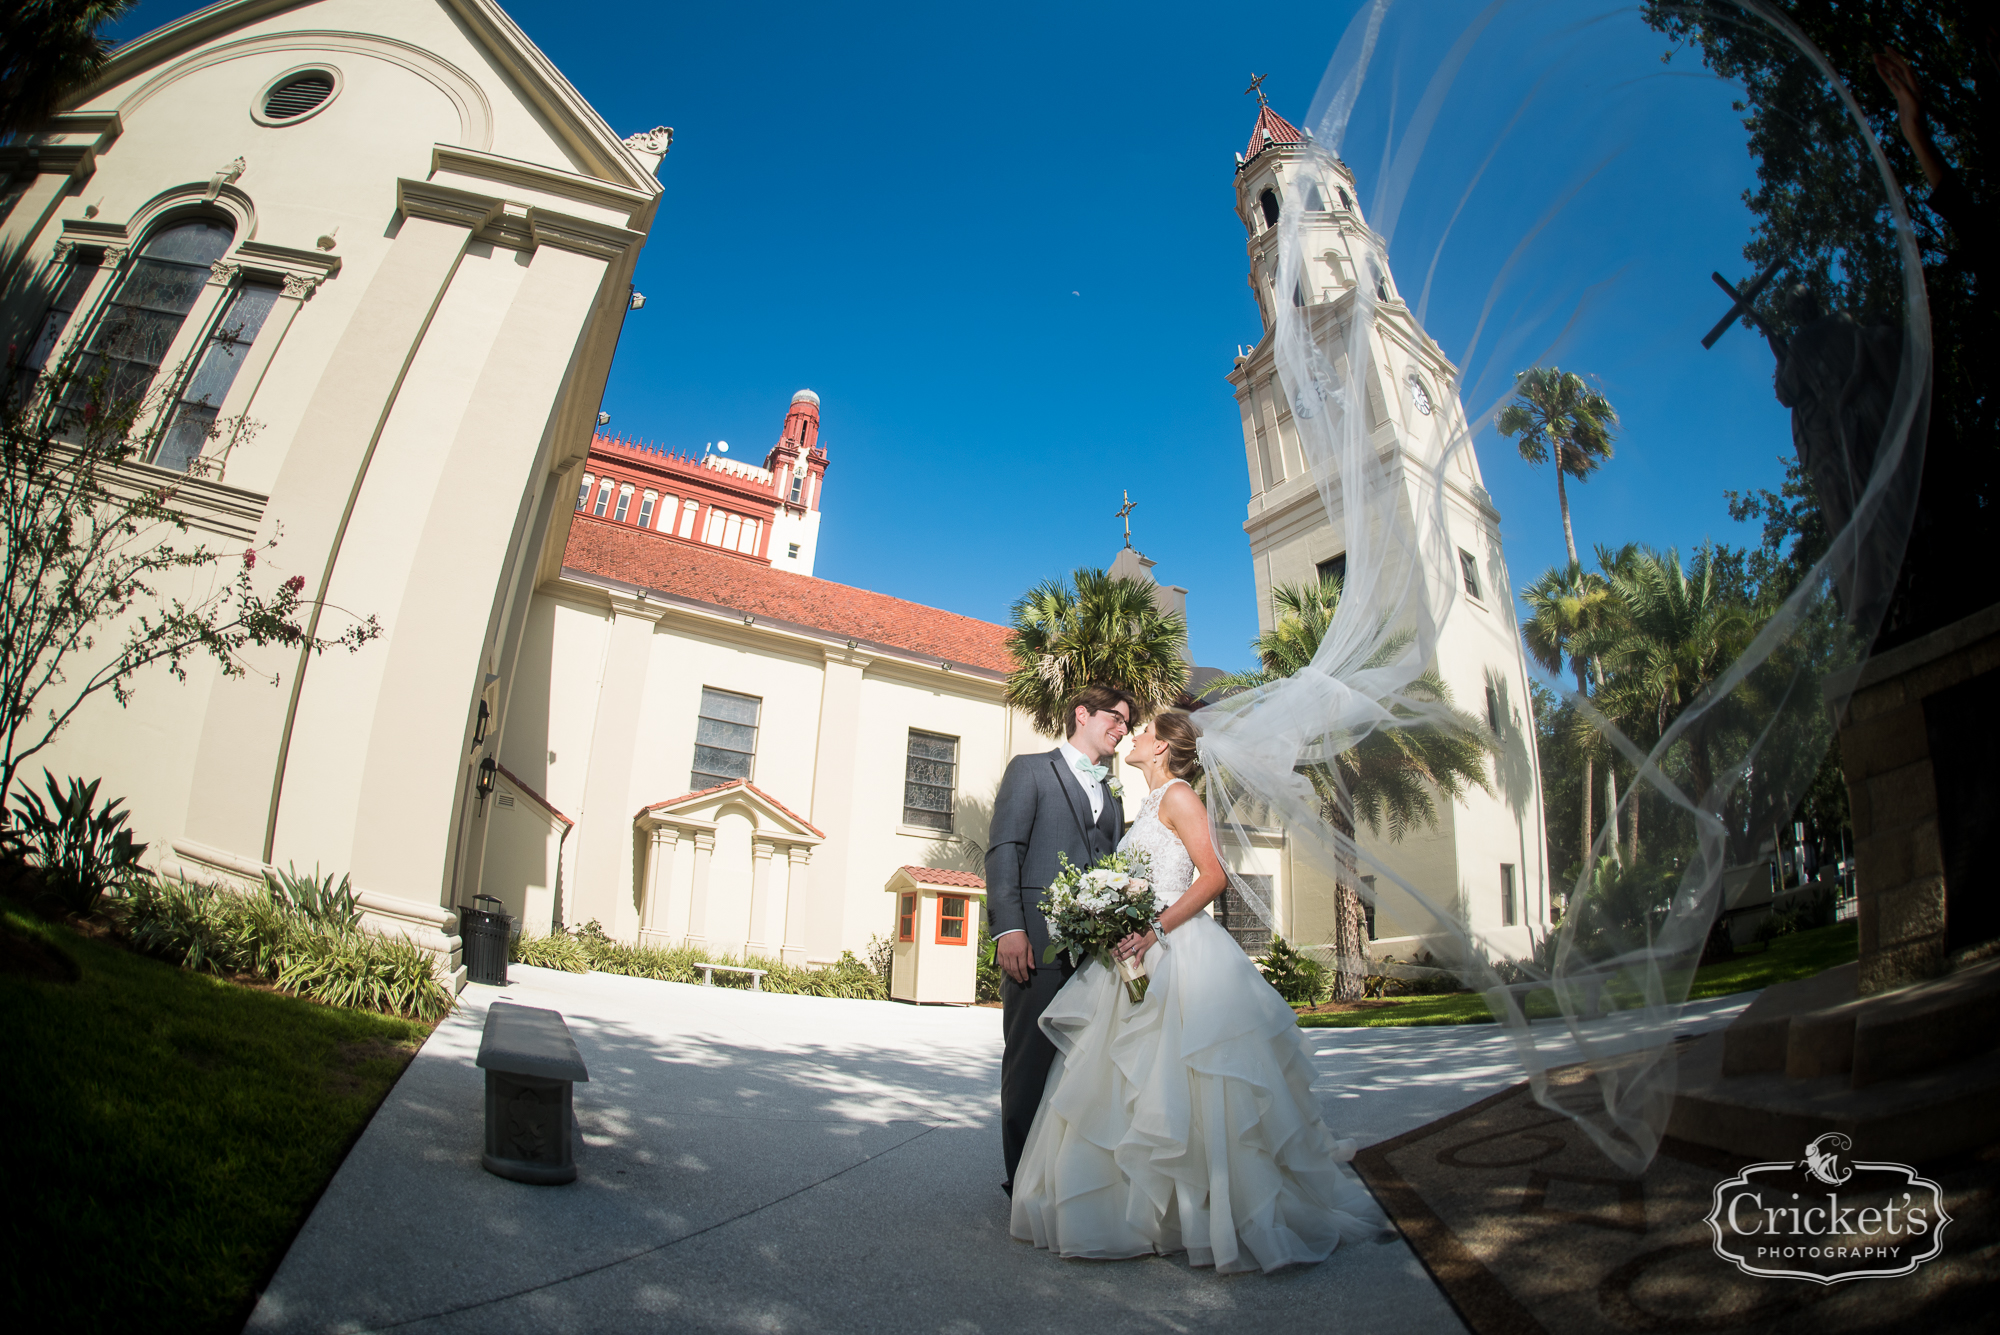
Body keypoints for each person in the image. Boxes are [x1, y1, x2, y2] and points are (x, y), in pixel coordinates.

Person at [1009, 712, 1385, 1273]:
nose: (1132, 736)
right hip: (1136, 950)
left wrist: (1154, 929)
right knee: (1133, 1084)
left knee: (1184, 1082)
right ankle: (1150, 1213)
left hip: (1174, 948)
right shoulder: (1147, 800)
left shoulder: (1181, 796)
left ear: (1160, 748)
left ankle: (1200, 1210)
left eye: (1142, 732)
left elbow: (1213, 876)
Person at [986, 684, 1134, 1196]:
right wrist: (1009, 928)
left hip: (1095, 953)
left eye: (1128, 725)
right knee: (1029, 1061)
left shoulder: (1113, 791)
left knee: (1085, 1067)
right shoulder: (1030, 769)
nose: (1123, 730)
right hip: (1037, 942)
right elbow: (1005, 850)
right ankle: (1021, 1182)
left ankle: (1066, 1179)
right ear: (1081, 715)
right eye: (1116, 719)